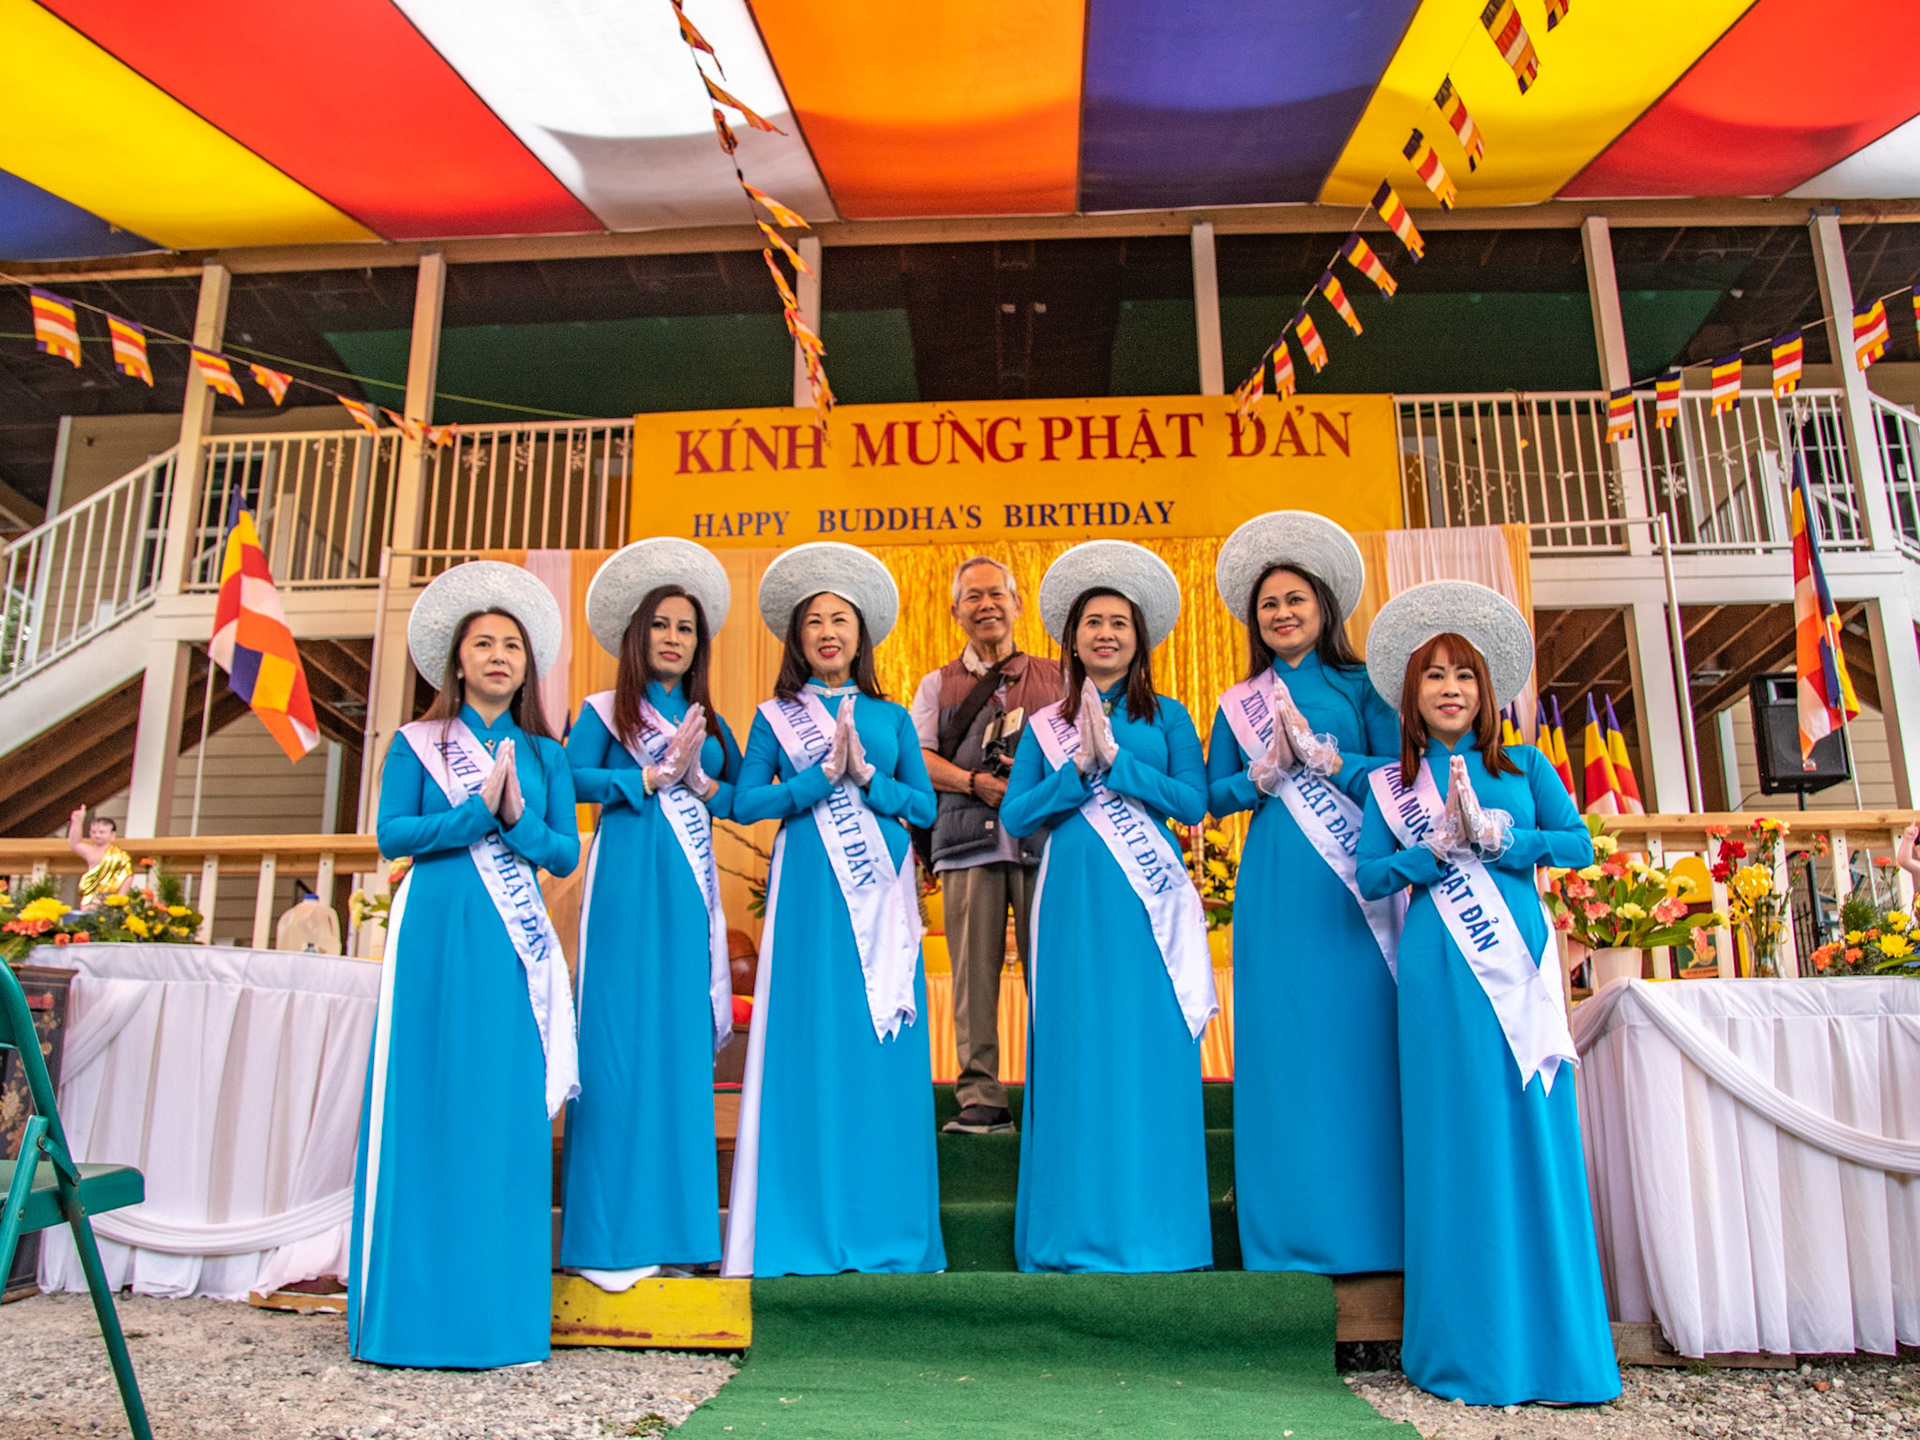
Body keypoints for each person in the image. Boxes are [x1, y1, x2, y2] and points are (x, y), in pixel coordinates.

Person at [1355, 581, 1619, 1407]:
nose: (1449, 689)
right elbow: (1369, 876)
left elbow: (1578, 844)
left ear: (1487, 690)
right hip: (1439, 966)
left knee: (1531, 1125)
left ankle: (1556, 1346)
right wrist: (1425, 855)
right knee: (1455, 1132)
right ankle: (1471, 1346)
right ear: (1411, 693)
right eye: (1433, 676)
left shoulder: (1525, 766)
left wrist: (1509, 838)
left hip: (1519, 961)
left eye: (1463, 675)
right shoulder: (1389, 783)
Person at [350, 560, 580, 1369]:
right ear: (456, 661)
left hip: (512, 947)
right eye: (483, 643)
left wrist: (513, 819)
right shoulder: (417, 743)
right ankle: (416, 1316)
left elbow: (562, 853)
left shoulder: (546, 755)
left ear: (528, 664)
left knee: (503, 1105)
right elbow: (393, 835)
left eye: (512, 645)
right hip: (437, 933)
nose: (498, 656)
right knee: (432, 1096)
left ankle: (498, 1318)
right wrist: (473, 815)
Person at [721, 541, 944, 1277]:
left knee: (878, 1046)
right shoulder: (774, 717)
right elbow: (745, 801)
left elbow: (922, 806)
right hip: (810, 891)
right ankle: (805, 1223)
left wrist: (869, 779)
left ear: (860, 635)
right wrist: (818, 779)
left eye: (840, 620)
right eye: (814, 621)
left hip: (880, 893)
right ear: (798, 638)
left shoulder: (891, 716)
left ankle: (885, 1223)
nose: (827, 632)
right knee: (810, 1035)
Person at [999, 540, 1216, 1273]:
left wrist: (1120, 766)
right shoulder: (1043, 723)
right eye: (1093, 621)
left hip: (1149, 909)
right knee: (1078, 1047)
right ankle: (1075, 1229)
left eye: (1119, 622)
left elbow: (1195, 802)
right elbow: (1017, 816)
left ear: (1139, 637)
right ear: (1072, 637)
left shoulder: (1169, 716)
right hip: (1073, 903)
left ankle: (1160, 1234)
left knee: (1149, 1049)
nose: (1106, 633)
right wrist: (1075, 772)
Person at [1204, 512, 1404, 1274]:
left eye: (1295, 600)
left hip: (1353, 885)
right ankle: (1287, 1234)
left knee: (1359, 1046)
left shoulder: (1362, 686)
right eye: (1269, 605)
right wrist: (1262, 776)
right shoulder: (1240, 700)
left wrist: (1331, 762)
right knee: (1284, 1046)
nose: (1282, 614)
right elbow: (1212, 797)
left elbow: (1402, 775)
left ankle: (1373, 1230)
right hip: (1276, 885)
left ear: (1324, 606)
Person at [561, 539, 743, 1290]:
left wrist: (701, 782)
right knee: (617, 1043)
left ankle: (681, 1234)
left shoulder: (710, 721)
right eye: (661, 625)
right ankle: (609, 1237)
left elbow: (742, 795)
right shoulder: (605, 711)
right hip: (627, 883)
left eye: (686, 628)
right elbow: (568, 775)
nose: (673, 638)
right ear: (637, 637)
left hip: (688, 893)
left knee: (678, 1048)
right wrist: (642, 778)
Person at [909, 556, 1064, 1135]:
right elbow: (918, 759)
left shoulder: (1059, 677)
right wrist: (975, 782)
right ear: (956, 611)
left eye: (996, 594)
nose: (986, 605)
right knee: (972, 976)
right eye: (973, 597)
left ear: (1018, 604)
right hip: (967, 842)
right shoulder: (936, 684)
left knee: (1053, 969)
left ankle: (1057, 1086)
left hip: (1043, 842)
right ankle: (980, 1094)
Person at [67, 809, 132, 903]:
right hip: (91, 894)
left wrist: (120, 898)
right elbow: (75, 844)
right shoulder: (90, 851)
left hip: (110, 896)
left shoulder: (119, 856)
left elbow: (127, 876)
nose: (97, 835)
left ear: (112, 835)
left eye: (101, 832)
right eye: (94, 832)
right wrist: (77, 822)